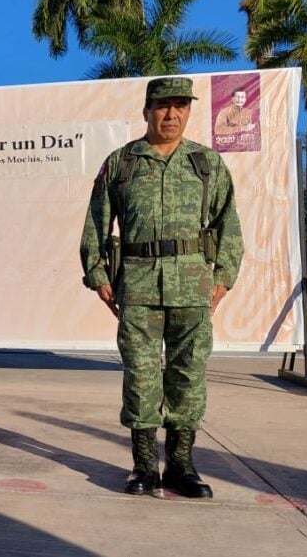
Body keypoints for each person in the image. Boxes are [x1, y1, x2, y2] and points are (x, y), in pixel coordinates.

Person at [80, 77, 244, 498]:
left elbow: (229, 226)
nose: (172, 114)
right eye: (163, 106)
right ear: (147, 110)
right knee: (140, 377)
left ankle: (182, 465)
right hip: (137, 285)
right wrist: (98, 276)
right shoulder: (122, 162)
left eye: (180, 106)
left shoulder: (206, 163)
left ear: (188, 111)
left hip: (192, 286)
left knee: (188, 376)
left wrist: (223, 278)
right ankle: (143, 467)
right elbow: (97, 224)